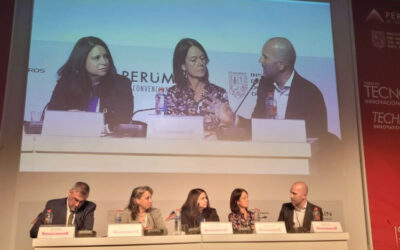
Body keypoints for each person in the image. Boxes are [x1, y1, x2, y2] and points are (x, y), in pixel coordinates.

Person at [47, 36, 133, 131]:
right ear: (81, 60)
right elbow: (50, 118)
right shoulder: (66, 83)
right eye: (96, 58)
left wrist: (86, 121)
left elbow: (123, 120)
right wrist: (67, 115)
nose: (104, 62)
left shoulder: (121, 84)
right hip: (72, 141)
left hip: (107, 142)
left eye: (106, 57)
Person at [252, 37, 327, 139]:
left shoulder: (311, 94)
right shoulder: (265, 85)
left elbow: (317, 138)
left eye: (265, 57)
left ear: (281, 65)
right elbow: (255, 125)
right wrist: (235, 120)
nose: (260, 60)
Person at [166, 38, 234, 132]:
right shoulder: (173, 94)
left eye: (202, 59)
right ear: (183, 66)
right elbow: (168, 129)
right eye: (194, 60)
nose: (200, 63)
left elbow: (226, 128)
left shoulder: (219, 93)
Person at [30, 182, 96, 238]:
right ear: (70, 193)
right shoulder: (53, 205)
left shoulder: (89, 207)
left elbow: (87, 234)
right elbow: (33, 232)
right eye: (76, 200)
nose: (77, 205)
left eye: (81, 202)